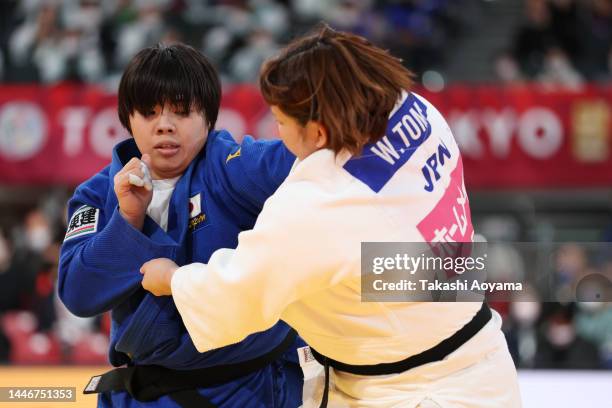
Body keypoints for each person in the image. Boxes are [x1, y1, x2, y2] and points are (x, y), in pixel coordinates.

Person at [141, 26, 522, 407]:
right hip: (475, 347)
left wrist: (173, 279)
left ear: (319, 131)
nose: (277, 131)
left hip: (415, 392)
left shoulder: (321, 201)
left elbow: (237, 294)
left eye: (281, 121)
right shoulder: (416, 111)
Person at [58, 43, 304, 407]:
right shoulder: (98, 194)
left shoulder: (230, 166)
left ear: (209, 117)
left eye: (182, 111)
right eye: (149, 112)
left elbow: (304, 157)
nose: (165, 125)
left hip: (246, 389)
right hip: (147, 394)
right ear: (127, 119)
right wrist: (128, 219)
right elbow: (77, 294)